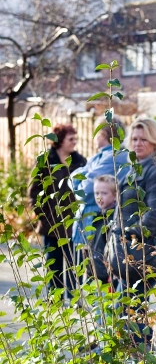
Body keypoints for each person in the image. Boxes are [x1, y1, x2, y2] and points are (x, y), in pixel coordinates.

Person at [108, 116, 156, 345]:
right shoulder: (133, 168)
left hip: (143, 255)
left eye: (144, 139)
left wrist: (127, 235)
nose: (138, 143)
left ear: (155, 142)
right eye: (134, 139)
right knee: (124, 313)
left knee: (133, 316)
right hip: (129, 255)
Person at [28, 124, 86, 298]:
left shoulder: (80, 161)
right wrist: (42, 213)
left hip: (73, 222)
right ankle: (56, 299)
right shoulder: (45, 160)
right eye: (71, 139)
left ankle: (74, 297)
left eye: (75, 138)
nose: (74, 143)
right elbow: (33, 190)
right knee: (54, 264)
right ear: (59, 140)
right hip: (50, 223)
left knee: (75, 263)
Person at [70, 118, 130, 256]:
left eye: (96, 133)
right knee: (82, 272)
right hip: (86, 224)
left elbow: (85, 191)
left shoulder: (115, 157)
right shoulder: (97, 157)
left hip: (96, 223)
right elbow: (72, 179)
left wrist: (82, 175)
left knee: (95, 270)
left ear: (102, 134)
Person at [86, 174, 116, 284]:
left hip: (106, 276)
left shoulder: (114, 220)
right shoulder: (98, 217)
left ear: (115, 195)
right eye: (96, 193)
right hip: (95, 273)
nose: (99, 197)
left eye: (104, 193)